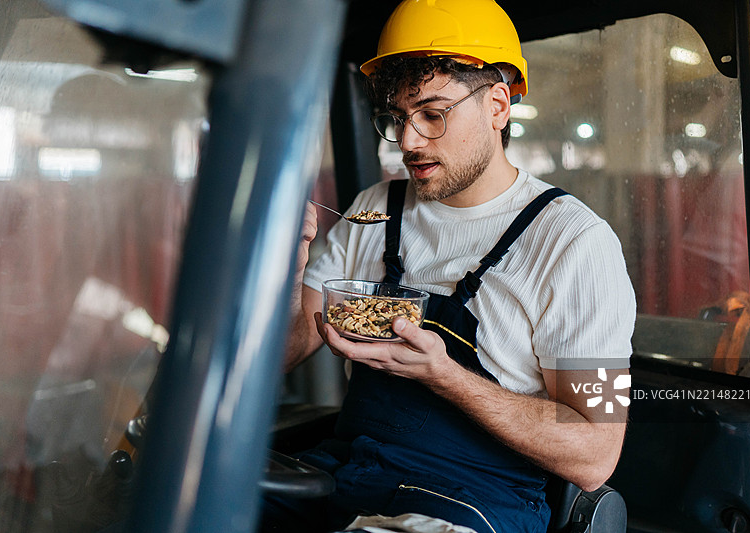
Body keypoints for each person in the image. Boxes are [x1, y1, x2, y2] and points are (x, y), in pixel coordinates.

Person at [266, 1, 636, 532]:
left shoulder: (577, 244)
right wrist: (286, 269)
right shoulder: (375, 208)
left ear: (498, 106)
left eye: (433, 114)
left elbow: (596, 452)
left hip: (473, 501)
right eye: (398, 118)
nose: (408, 142)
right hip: (347, 474)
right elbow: (285, 350)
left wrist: (443, 375)